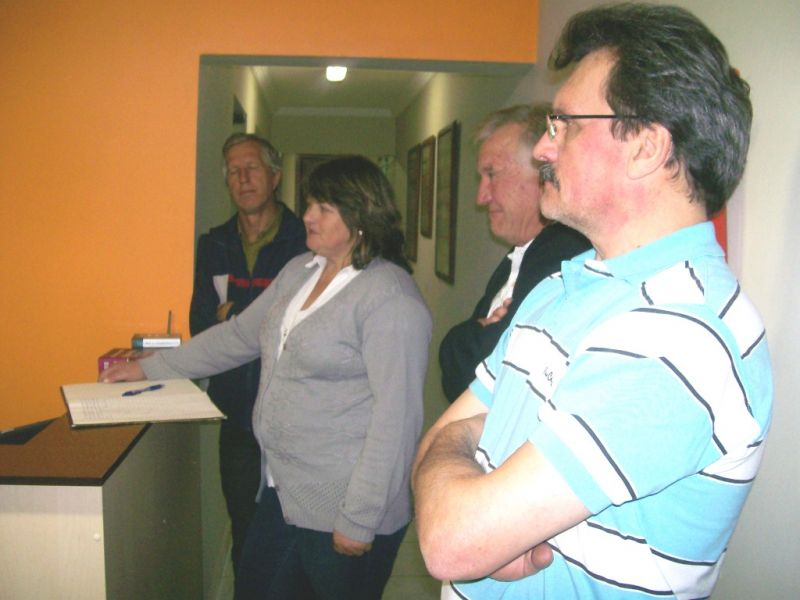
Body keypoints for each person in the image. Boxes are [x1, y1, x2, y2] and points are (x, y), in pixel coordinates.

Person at [413, 4, 773, 599]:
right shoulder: (561, 288)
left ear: (646, 148)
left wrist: (465, 462)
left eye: (564, 125)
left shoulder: (683, 334)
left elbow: (450, 540)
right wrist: (459, 461)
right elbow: (437, 443)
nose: (543, 149)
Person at [102, 155, 431, 600]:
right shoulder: (300, 271)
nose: (308, 216)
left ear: (360, 216)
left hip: (344, 504)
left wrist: (360, 518)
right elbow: (239, 335)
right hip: (280, 491)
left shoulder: (389, 297)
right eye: (309, 204)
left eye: (323, 208)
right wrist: (150, 368)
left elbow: (398, 418)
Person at [191, 133, 307, 577]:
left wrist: (235, 316)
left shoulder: (305, 241)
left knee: (294, 532)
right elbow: (202, 324)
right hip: (236, 415)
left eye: (252, 168)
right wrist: (256, 320)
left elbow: (303, 328)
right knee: (244, 531)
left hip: (296, 417)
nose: (242, 179)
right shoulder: (214, 244)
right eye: (234, 172)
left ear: (274, 176)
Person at [438, 104, 590, 403]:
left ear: (542, 171)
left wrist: (457, 341)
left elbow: (487, 376)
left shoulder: (564, 260)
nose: (481, 197)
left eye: (492, 174)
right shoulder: (519, 257)